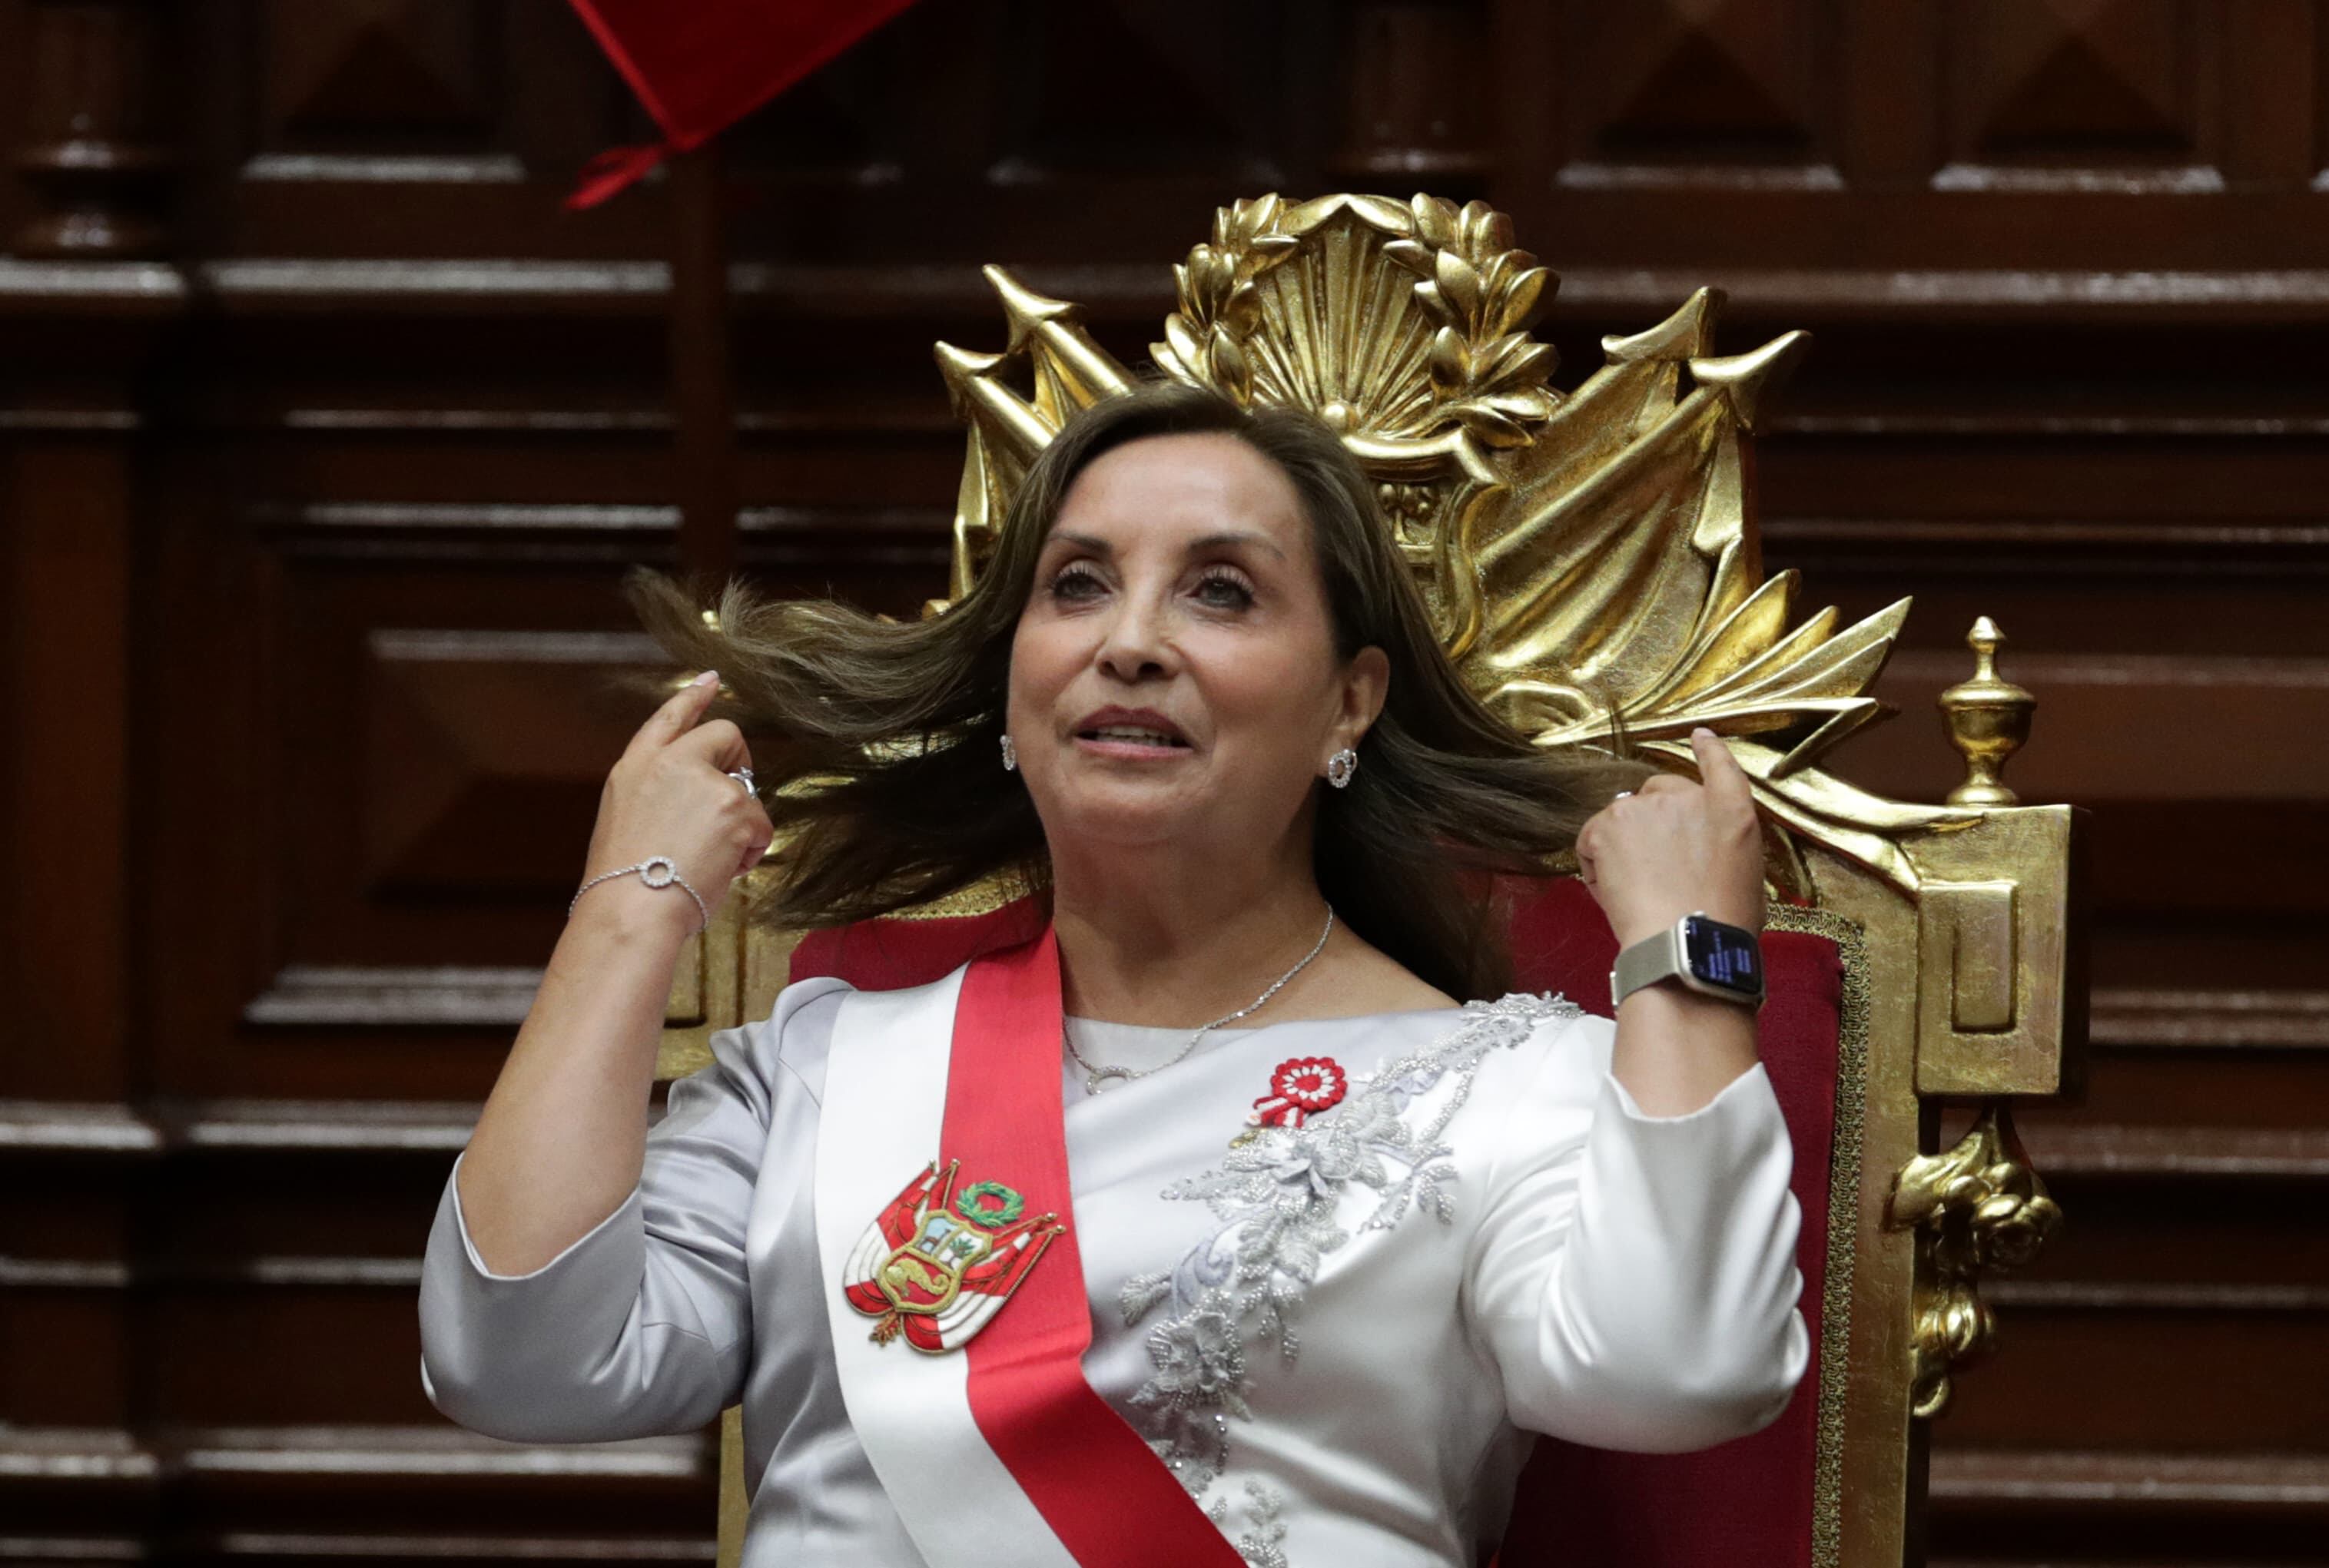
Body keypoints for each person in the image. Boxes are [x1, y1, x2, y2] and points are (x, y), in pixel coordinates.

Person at [418, 382, 1809, 1568]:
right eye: (1078, 584)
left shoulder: (1508, 1086)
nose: (1128, 641)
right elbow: (520, 1360)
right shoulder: (825, 1068)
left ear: (1351, 700)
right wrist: (629, 904)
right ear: (1013, 685)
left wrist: (1687, 959)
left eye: (1221, 590)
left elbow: (1681, 1370)